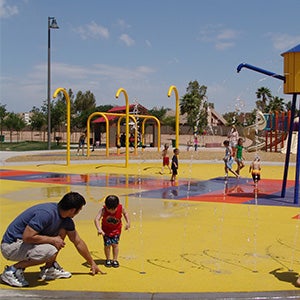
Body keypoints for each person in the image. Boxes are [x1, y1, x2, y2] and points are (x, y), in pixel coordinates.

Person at [0, 192, 103, 287]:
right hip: (11, 246)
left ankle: (49, 268)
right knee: (49, 250)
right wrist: (53, 240)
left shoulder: (66, 220)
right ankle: (12, 271)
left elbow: (78, 241)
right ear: (72, 210)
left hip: (24, 245)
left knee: (62, 231)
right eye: (79, 210)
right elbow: (27, 237)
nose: (78, 212)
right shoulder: (46, 214)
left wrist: (92, 263)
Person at [94, 195, 130, 268]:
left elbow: (125, 213)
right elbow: (96, 219)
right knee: (107, 245)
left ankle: (115, 259)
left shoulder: (121, 208)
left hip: (116, 230)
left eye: (113, 209)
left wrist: (128, 222)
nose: (111, 211)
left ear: (117, 206)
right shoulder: (103, 210)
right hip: (105, 231)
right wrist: (99, 229)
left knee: (115, 244)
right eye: (109, 209)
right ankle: (108, 259)